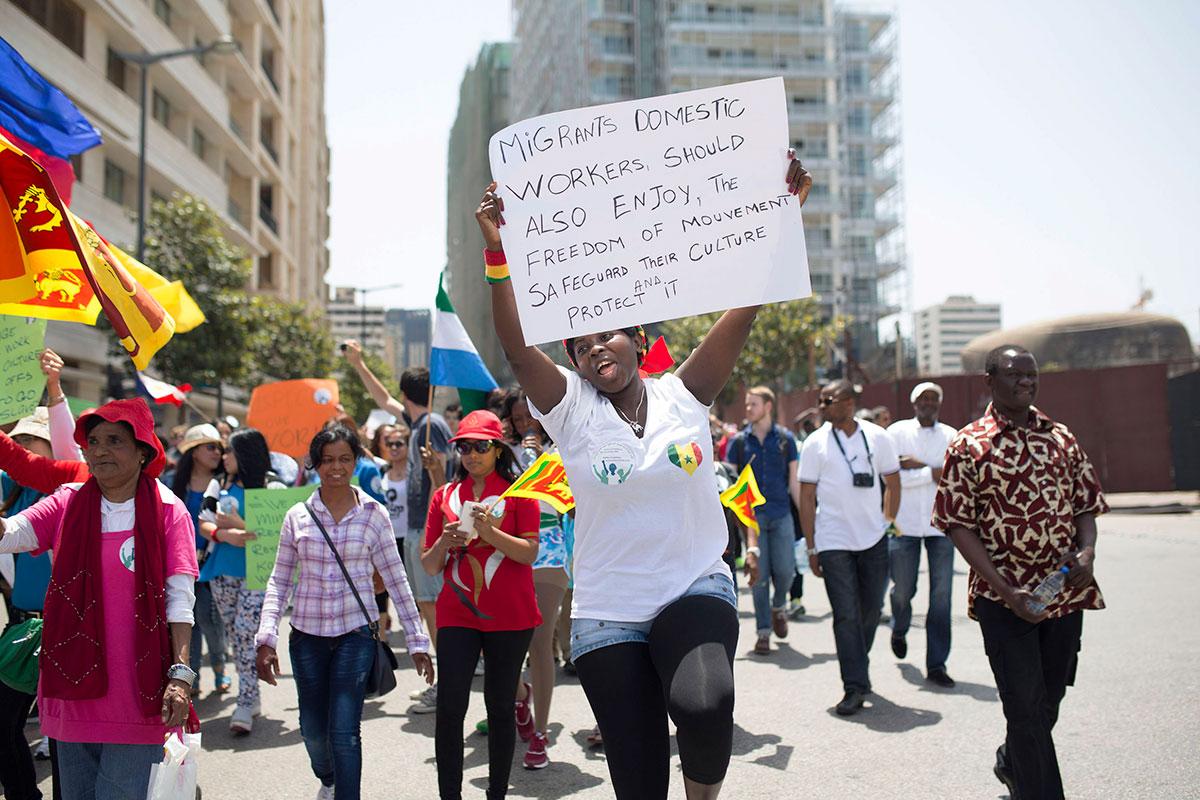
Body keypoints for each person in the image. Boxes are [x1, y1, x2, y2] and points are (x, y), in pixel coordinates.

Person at [472, 149, 812, 799]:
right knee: (638, 782)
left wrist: (781, 215)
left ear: (636, 335)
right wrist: (497, 254)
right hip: (607, 614)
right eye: (580, 343)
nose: (595, 346)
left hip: (693, 586)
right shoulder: (570, 413)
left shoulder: (688, 393)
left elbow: (744, 308)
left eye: (608, 334)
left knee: (707, 708)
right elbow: (517, 348)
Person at [0, 399, 199, 799]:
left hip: (139, 695)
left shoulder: (167, 509)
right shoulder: (68, 500)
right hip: (73, 692)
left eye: (115, 440)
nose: (100, 450)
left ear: (144, 451)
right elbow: (11, 534)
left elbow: (180, 599)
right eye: (92, 441)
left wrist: (181, 676)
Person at [933, 345, 1106, 800]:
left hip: (1064, 594)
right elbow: (956, 522)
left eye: (1031, 375)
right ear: (989, 381)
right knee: (1024, 707)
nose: (1026, 382)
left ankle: (1013, 760)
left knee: (1048, 700)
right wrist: (1007, 591)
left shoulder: (1061, 438)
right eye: (1015, 375)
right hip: (1003, 598)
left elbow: (1085, 503)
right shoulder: (969, 444)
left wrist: (1086, 554)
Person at [255, 424, 433, 800]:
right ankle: (329, 779)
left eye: (345, 459)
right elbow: (279, 581)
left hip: (357, 635)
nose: (336, 467)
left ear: (356, 461)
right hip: (307, 638)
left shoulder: (374, 513)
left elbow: (397, 579)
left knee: (345, 732)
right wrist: (266, 638)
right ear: (316, 464)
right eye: (327, 460)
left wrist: (418, 641)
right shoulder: (297, 516)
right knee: (312, 730)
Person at [420, 410, 540, 797]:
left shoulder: (519, 490)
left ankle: (497, 793)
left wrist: (490, 531)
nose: (471, 453)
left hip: (511, 614)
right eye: (464, 446)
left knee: (500, 707)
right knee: (451, 708)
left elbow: (529, 553)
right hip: (457, 613)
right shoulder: (444, 496)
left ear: (498, 448)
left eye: (481, 446)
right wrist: (444, 541)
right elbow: (430, 563)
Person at [341, 340, 450, 713]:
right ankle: (447, 680)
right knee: (427, 603)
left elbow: (443, 474)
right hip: (421, 527)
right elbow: (384, 399)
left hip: (427, 527)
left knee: (432, 606)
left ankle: (448, 683)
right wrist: (357, 364)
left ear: (407, 394)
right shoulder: (420, 421)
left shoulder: (430, 424)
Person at [798, 379, 901, 716]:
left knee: (870, 610)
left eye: (827, 400)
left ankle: (858, 663)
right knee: (845, 616)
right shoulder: (815, 443)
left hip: (874, 539)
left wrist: (888, 520)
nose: (821, 406)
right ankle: (854, 685)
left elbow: (893, 481)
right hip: (833, 541)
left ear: (849, 402)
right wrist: (812, 547)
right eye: (820, 400)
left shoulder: (878, 437)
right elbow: (807, 497)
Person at [198, 427, 287, 734]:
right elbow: (203, 521)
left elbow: (281, 533)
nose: (223, 457)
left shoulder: (274, 487)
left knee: (248, 633)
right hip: (223, 572)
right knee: (238, 637)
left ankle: (245, 701)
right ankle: (252, 695)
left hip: (259, 576)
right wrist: (224, 534)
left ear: (245, 454)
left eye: (230, 451)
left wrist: (241, 526)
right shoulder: (218, 483)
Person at [501, 390, 571, 769]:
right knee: (507, 643)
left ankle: (540, 735)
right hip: (505, 549)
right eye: (517, 417)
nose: (525, 424)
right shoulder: (498, 455)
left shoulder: (563, 451)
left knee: (540, 640)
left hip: (549, 549)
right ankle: (519, 696)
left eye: (531, 417)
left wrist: (540, 458)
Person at [886, 382, 958, 687]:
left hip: (940, 524)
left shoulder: (952, 436)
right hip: (903, 524)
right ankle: (899, 627)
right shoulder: (896, 433)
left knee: (941, 595)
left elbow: (954, 477)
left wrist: (917, 469)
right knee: (902, 589)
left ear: (939, 404)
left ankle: (937, 664)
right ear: (914, 403)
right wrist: (931, 472)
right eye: (923, 399)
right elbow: (890, 477)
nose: (928, 403)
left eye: (933, 399)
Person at [726, 387, 800, 655]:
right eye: (747, 404)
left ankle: (779, 604)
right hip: (751, 519)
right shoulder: (738, 442)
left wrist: (806, 515)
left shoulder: (785, 439)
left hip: (781, 513)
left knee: (785, 571)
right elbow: (730, 483)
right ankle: (763, 632)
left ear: (768, 406)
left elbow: (794, 481)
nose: (748, 409)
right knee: (757, 575)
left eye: (753, 404)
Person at [169, 424, 230, 698]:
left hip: (213, 563)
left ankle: (220, 668)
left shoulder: (226, 484)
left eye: (219, 447)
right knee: (185, 620)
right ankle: (189, 676)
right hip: (180, 566)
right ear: (193, 452)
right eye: (210, 446)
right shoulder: (172, 484)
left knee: (209, 618)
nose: (217, 452)